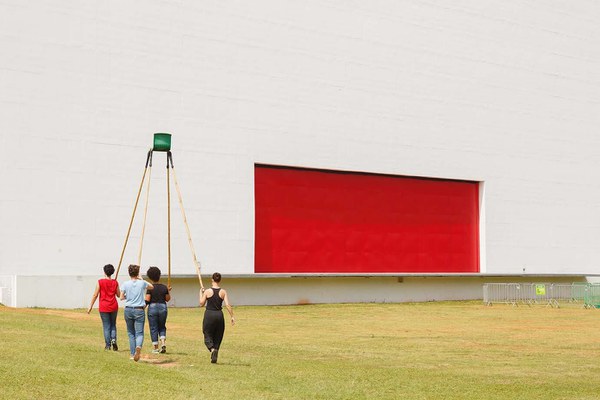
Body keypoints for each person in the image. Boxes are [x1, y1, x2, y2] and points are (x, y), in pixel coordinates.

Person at [120, 264, 154, 361]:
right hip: (139, 309)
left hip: (128, 309)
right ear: (137, 273)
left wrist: (129, 296)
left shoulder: (125, 284)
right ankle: (138, 347)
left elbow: (121, 297)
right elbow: (151, 287)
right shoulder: (141, 283)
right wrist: (141, 278)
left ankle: (132, 353)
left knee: (131, 332)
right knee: (139, 332)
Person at [199, 272, 235, 363]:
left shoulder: (207, 291)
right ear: (220, 280)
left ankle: (212, 349)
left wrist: (200, 293)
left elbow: (201, 304)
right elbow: (227, 305)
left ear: (212, 279)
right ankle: (216, 350)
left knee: (207, 333)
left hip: (209, 314)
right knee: (218, 334)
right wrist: (232, 316)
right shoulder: (223, 291)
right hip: (219, 315)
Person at [87, 264, 121, 351]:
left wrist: (90, 305)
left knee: (106, 326)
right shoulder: (115, 282)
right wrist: (114, 285)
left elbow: (95, 294)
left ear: (104, 272)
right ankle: (113, 340)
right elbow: (118, 295)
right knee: (113, 325)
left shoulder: (100, 282)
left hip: (104, 306)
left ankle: (108, 345)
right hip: (113, 306)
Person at [145, 266, 171, 354]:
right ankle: (163, 342)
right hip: (163, 307)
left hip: (152, 307)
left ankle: (156, 348)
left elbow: (147, 299)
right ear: (159, 275)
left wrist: (143, 307)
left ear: (149, 277)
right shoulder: (164, 287)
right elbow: (167, 299)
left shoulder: (150, 287)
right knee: (162, 326)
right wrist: (168, 291)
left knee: (153, 327)